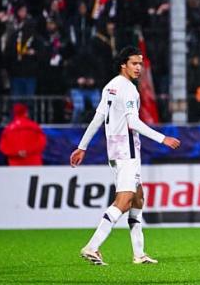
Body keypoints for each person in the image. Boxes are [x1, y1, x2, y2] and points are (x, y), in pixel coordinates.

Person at [70, 46, 181, 265]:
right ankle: (92, 247)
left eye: (140, 63)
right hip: (127, 151)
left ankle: (139, 254)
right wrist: (162, 138)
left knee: (138, 198)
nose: (139, 68)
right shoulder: (129, 89)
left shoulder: (110, 86)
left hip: (115, 150)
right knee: (124, 201)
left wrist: (82, 146)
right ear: (124, 64)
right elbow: (133, 123)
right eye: (134, 63)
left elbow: (97, 119)